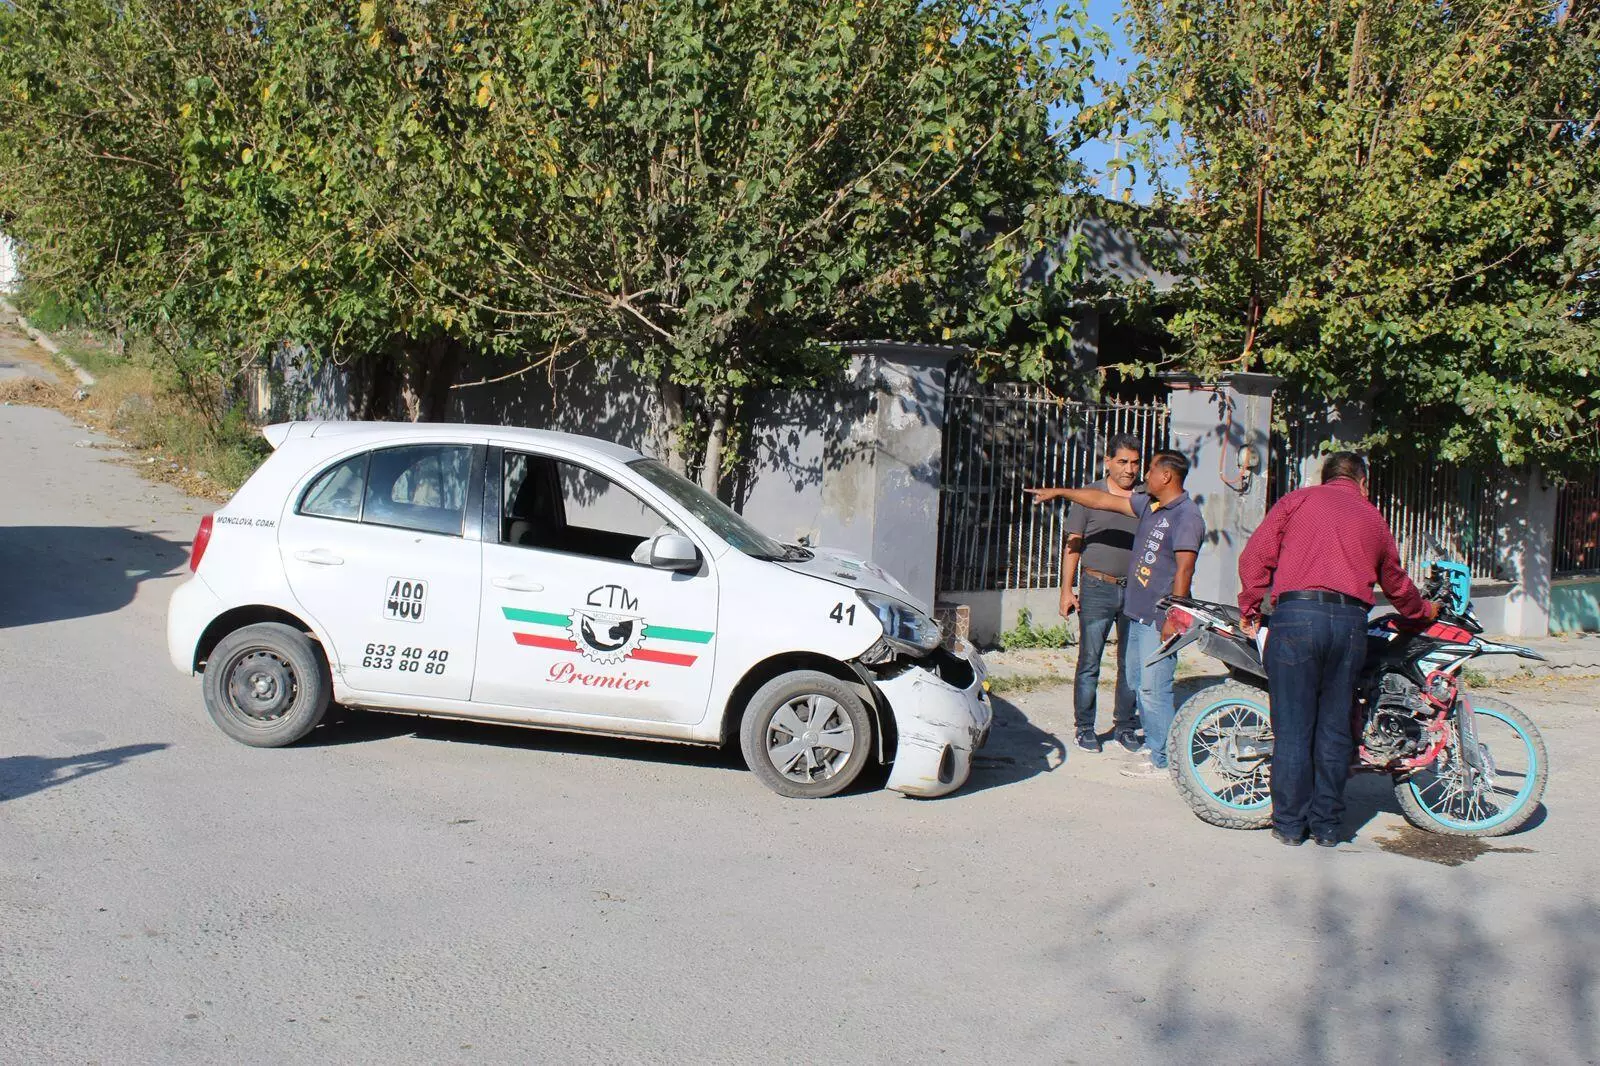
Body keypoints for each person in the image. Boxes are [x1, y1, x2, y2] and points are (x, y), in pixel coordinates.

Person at [1237, 451, 1440, 849]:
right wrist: (1422, 611)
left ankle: (1291, 827)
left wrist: (1250, 606)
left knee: (1293, 729)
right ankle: (1328, 827)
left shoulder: (1296, 501)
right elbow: (1396, 583)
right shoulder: (1372, 517)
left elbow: (1254, 559)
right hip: (1349, 625)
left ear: (1325, 476)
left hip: (1295, 619)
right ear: (1362, 481)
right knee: (1334, 727)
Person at [1027, 450, 1205, 778]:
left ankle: (1164, 758)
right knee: (1138, 681)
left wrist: (1175, 616)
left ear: (1166, 476)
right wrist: (1062, 492)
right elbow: (1102, 501)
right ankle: (1156, 746)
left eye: (1149, 469)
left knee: (1154, 687)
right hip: (1138, 612)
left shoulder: (1186, 516)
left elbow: (1185, 570)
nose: (1143, 475)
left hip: (1159, 616)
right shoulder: (1151, 506)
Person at [1036, 434, 1143, 754]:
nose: (1129, 469)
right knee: (1090, 662)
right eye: (1122, 462)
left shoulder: (1144, 497)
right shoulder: (1088, 495)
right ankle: (1085, 728)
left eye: (1135, 463)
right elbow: (1073, 545)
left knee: (1130, 663)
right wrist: (1066, 590)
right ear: (1107, 462)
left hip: (1135, 590)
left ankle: (1124, 725)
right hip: (1097, 588)